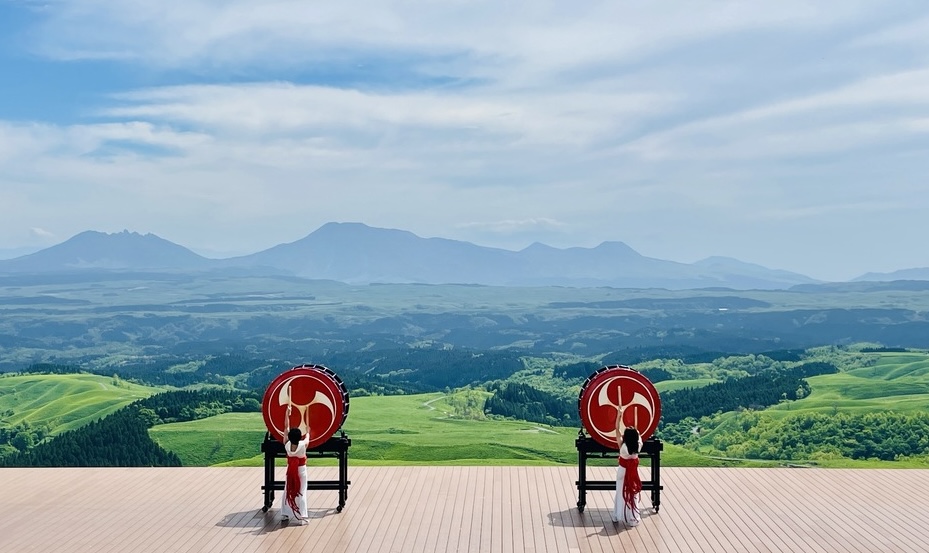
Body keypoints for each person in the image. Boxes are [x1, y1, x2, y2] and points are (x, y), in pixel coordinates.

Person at [612, 417, 643, 526]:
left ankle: (617, 516)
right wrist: (636, 431)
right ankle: (632, 518)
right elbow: (638, 434)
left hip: (622, 471)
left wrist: (619, 415)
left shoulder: (623, 447)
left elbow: (616, 429)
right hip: (633, 473)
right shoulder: (638, 446)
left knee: (620, 493)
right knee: (632, 494)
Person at [281, 426, 309, 525]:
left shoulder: (287, 444)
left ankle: (284, 514)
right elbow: (307, 438)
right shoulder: (303, 445)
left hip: (290, 470)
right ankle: (303, 517)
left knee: (287, 490)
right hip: (301, 470)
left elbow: (286, 430)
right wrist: (308, 431)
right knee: (302, 492)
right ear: (299, 437)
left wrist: (287, 414)